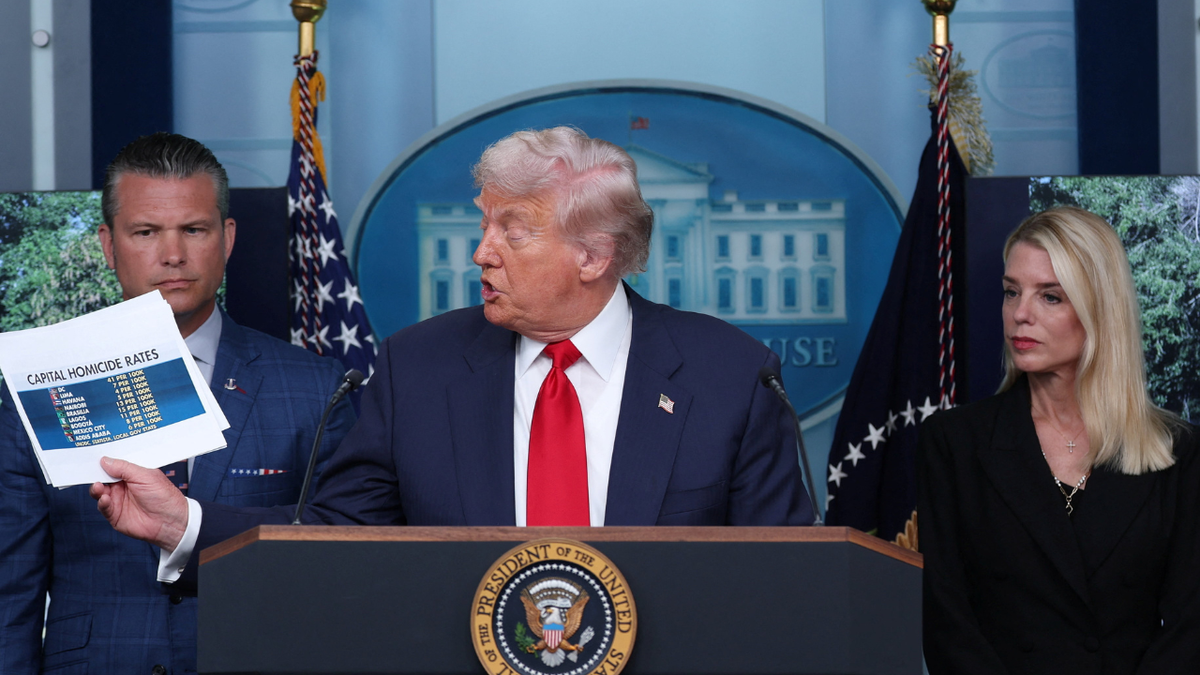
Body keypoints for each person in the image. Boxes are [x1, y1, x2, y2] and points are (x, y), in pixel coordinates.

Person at [90, 126, 813, 575]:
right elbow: (336, 539)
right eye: (484, 225)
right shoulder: (419, 367)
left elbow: (785, 578)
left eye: (512, 231)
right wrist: (186, 521)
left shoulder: (728, 376)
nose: (481, 253)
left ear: (593, 255)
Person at [0, 133, 355, 675]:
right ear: (108, 244)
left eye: (194, 229)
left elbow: (344, 557)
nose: (173, 255)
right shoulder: (34, 389)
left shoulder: (317, 387)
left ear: (227, 238)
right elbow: (11, 588)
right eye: (145, 232)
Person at [918, 206, 1200, 674]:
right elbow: (947, 622)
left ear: (1099, 308)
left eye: (1050, 297)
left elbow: (1192, 628)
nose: (1019, 314)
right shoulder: (953, 443)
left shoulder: (1179, 451)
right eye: (1011, 292)